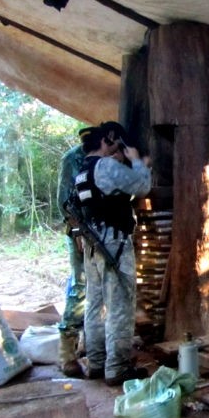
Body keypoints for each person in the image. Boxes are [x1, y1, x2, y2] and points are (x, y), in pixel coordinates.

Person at [75, 121, 152, 386]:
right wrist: (137, 161)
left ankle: (96, 362)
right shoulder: (105, 166)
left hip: (93, 244)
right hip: (114, 242)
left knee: (95, 306)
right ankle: (117, 367)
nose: (116, 150)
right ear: (107, 141)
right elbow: (142, 186)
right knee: (119, 305)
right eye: (115, 145)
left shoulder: (82, 171)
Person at [56, 126, 92, 378]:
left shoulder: (101, 158)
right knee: (79, 286)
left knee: (96, 289)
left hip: (100, 231)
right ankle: (67, 355)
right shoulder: (73, 159)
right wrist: (78, 230)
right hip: (80, 231)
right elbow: (64, 200)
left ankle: (87, 344)